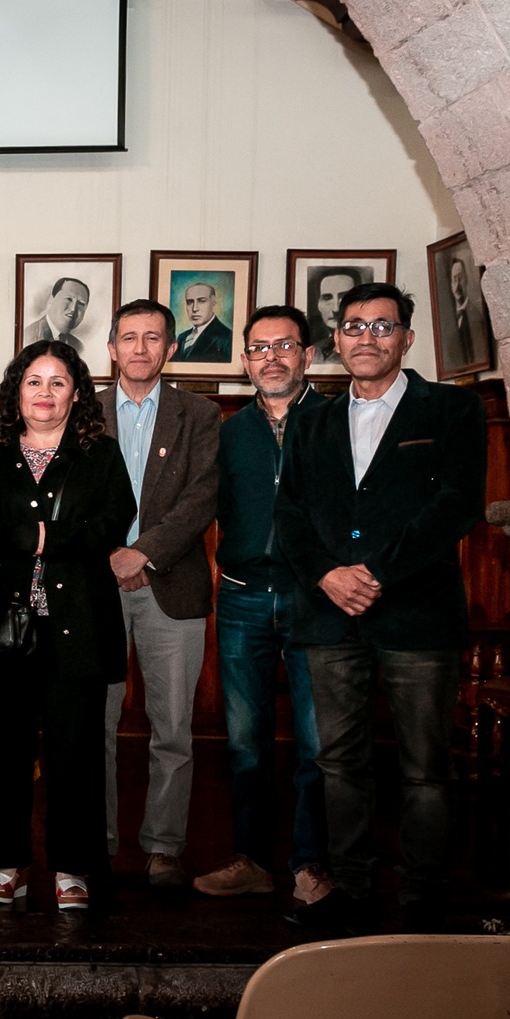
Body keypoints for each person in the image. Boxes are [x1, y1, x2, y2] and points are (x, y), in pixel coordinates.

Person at [276, 283, 486, 935]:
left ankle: (423, 897)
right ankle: (354, 890)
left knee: (425, 766)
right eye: (354, 326)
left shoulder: (451, 410)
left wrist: (377, 574)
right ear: (335, 340)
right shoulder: (309, 419)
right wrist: (329, 577)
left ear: (406, 339)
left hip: (417, 617)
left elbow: (456, 505)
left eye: (382, 327)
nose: (367, 338)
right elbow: (290, 517)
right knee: (339, 762)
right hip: (328, 615)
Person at [0, 341, 133, 912]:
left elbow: (114, 522)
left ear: (77, 392)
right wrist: (48, 534)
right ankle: (4, 863)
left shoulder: (101, 454)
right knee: (2, 751)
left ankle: (74, 868)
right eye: (34, 381)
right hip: (5, 629)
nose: (45, 393)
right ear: (17, 390)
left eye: (58, 382)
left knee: (77, 753)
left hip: (79, 626)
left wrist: (39, 537)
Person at [191, 306, 331, 906]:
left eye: (284, 345)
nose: (270, 357)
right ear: (245, 360)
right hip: (244, 600)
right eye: (258, 348)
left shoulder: (337, 421)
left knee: (316, 745)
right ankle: (249, 859)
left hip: (316, 600)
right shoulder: (228, 431)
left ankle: (311, 865)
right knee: (245, 744)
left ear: (307, 354)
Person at [97, 299, 220, 889]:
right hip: (94, 588)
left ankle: (164, 846)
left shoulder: (199, 414)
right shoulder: (82, 411)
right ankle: (96, 842)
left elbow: (202, 498)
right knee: (92, 724)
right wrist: (111, 558)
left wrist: (142, 554)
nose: (140, 348)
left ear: (171, 349)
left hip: (171, 585)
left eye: (152, 338)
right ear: (112, 348)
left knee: (172, 727)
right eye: (129, 337)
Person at [443, 255, 490, 369]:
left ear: (467, 279)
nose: (457, 285)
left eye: (460, 277)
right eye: (454, 279)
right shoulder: (446, 323)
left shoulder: (478, 316)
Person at [23, 277, 91, 354]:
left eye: (81, 303)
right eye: (68, 299)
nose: (73, 308)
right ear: (51, 300)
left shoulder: (78, 347)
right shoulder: (29, 336)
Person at [174, 282, 232, 364]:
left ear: (214, 302)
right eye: (190, 302)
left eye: (202, 301)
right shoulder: (182, 337)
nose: (194, 308)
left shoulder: (227, 338)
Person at [310, 271, 354, 362]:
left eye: (344, 298)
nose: (336, 309)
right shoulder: (315, 349)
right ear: (318, 304)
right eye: (327, 298)